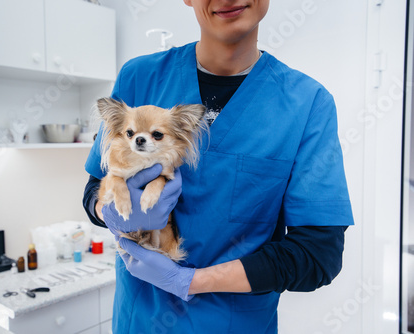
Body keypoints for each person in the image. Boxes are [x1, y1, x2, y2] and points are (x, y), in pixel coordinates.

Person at [83, 0, 354, 333]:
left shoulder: (307, 104)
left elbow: (318, 256)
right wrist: (109, 210)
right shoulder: (139, 78)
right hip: (140, 322)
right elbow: (94, 190)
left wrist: (188, 280)